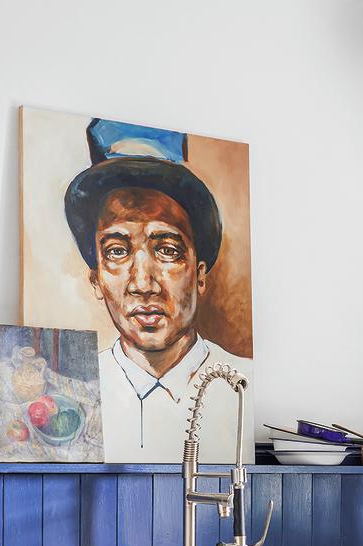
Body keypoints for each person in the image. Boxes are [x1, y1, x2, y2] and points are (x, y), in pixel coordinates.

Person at [64, 119, 252, 463]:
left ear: (199, 276)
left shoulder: (244, 386)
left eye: (167, 249)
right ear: (96, 280)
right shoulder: (72, 392)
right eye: (117, 251)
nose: (143, 284)